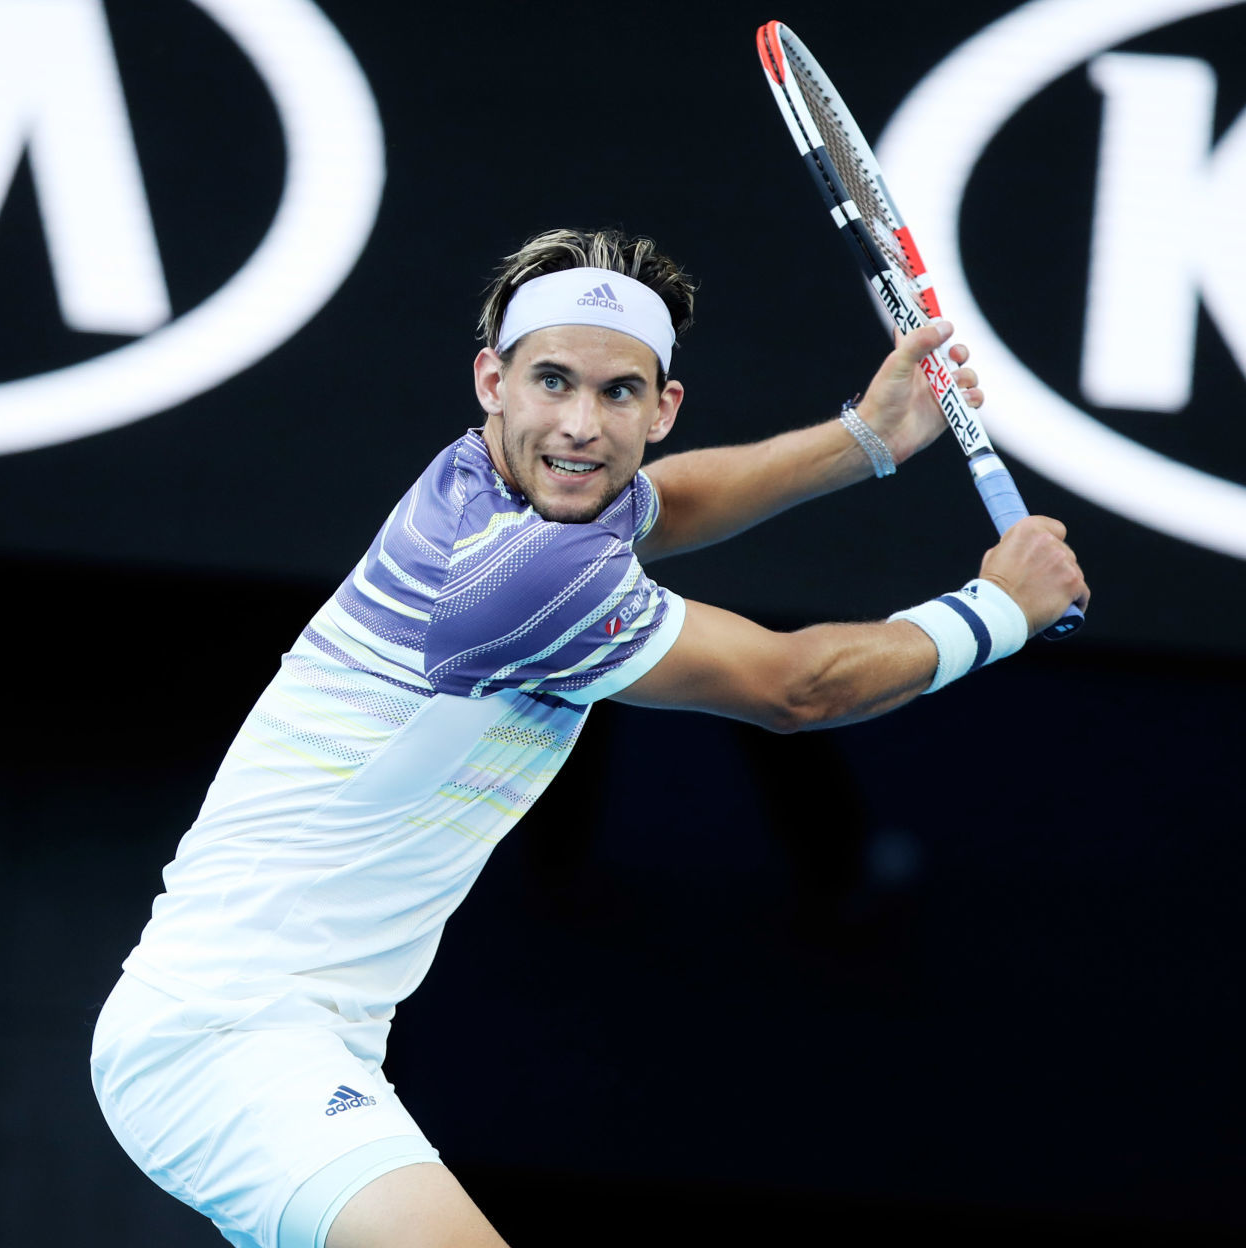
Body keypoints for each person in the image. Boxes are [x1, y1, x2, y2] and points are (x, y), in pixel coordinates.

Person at [89, 229, 1087, 1248]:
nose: (578, 424)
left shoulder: (488, 478)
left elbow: (667, 503)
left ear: (662, 409)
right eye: (551, 382)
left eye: (616, 394)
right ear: (493, 381)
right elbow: (798, 690)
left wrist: (866, 437)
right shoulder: (513, 574)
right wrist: (995, 611)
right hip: (221, 1040)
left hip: (310, 1032)